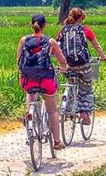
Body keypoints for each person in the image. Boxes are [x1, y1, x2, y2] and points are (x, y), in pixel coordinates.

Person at [17, 13, 69, 147]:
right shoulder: (50, 41)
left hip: (28, 79)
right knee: (52, 111)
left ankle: (29, 112)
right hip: (46, 79)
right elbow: (62, 60)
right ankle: (57, 142)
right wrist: (65, 67)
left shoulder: (23, 40)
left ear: (31, 25)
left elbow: (19, 61)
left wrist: (22, 75)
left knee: (30, 93)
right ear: (45, 25)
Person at [57, 7, 106, 125]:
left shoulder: (63, 30)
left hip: (68, 66)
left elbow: (57, 47)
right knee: (86, 88)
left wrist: (61, 63)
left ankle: (67, 109)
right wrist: (103, 56)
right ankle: (84, 114)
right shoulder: (85, 30)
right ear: (80, 18)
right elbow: (96, 46)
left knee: (70, 83)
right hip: (83, 65)